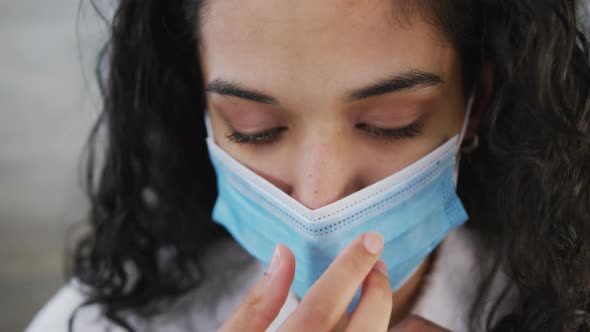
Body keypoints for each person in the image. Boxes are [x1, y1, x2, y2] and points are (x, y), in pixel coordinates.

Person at [26, 0, 590, 331]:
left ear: (476, 105)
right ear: (198, 111)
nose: (319, 199)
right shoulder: (104, 318)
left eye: (389, 122)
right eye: (255, 129)